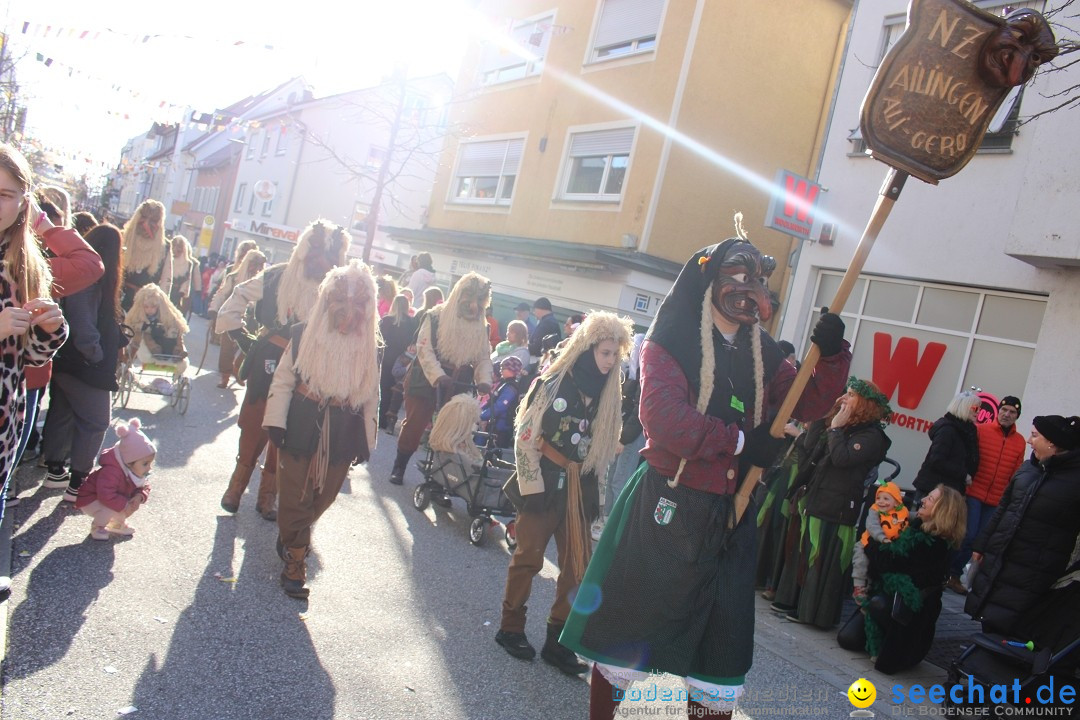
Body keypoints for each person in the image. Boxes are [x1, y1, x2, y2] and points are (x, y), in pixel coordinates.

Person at [559, 238, 851, 720]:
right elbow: (663, 417)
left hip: (734, 515)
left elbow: (809, 401)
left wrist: (832, 352)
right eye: (738, 274)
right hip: (669, 507)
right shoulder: (669, 341)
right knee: (625, 640)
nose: (750, 287)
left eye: (757, 276)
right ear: (708, 279)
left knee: (721, 655)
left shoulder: (765, 351)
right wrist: (741, 442)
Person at [496, 311, 632, 675]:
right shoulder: (552, 382)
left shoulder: (609, 396)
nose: (609, 362)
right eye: (605, 353)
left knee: (577, 569)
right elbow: (525, 436)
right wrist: (532, 487)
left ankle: (557, 642)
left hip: (580, 486)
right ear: (588, 349)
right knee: (528, 558)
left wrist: (598, 503)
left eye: (614, 355)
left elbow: (601, 454)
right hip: (543, 479)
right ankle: (510, 628)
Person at [216, 220, 350, 520]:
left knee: (286, 429)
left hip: (307, 365)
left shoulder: (336, 292)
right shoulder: (277, 275)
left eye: (328, 257)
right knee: (254, 423)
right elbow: (236, 299)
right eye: (316, 254)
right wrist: (242, 337)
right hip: (271, 359)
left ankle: (267, 496)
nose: (321, 262)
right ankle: (236, 488)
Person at [264, 261, 380, 598]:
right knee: (295, 492)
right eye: (342, 300)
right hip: (302, 418)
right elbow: (284, 379)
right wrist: (276, 421)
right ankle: (295, 561)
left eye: (358, 303)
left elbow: (371, 394)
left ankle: (291, 532)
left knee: (326, 494)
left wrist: (367, 440)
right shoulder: (302, 334)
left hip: (343, 426)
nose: (349, 310)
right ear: (328, 299)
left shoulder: (373, 347)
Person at [0, 144, 70, 600]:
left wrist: (51, 328)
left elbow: (32, 357)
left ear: (24, 201)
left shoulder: (24, 261)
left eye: (6, 194)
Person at [774, 378, 893, 628]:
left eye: (850, 395)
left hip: (838, 506)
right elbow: (811, 446)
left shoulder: (871, 436)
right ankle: (795, 601)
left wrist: (836, 429)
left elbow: (842, 458)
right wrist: (827, 415)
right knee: (806, 553)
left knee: (821, 559)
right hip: (819, 496)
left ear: (863, 403)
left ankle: (814, 613)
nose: (844, 398)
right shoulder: (844, 425)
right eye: (846, 393)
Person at [10, 185, 103, 505]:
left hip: (16, 393)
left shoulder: (28, 270)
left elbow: (89, 266)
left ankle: (7, 484)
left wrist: (52, 330)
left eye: (8, 195)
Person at [965, 415, 1080, 636]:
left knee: (1011, 625)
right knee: (987, 616)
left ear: (1052, 443)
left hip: (1032, 572)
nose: (1028, 440)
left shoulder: (1075, 482)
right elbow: (1002, 510)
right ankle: (980, 661)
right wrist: (981, 546)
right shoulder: (1028, 469)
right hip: (999, 561)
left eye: (1035, 435)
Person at [838, 485, 966, 675]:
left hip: (908, 615)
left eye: (930, 499)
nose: (922, 500)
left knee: (878, 604)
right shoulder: (913, 526)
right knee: (847, 639)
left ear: (942, 509)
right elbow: (884, 563)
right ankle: (877, 634)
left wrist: (871, 541)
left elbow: (887, 563)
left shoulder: (937, 544)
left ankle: (890, 645)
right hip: (889, 593)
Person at [40, 224, 125, 503]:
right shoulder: (90, 280)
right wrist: (97, 356)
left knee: (63, 411)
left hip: (64, 359)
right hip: (84, 363)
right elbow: (83, 325)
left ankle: (55, 470)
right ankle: (77, 482)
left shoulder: (75, 273)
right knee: (97, 421)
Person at [390, 272, 493, 485]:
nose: (474, 305)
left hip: (458, 381)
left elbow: (483, 356)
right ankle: (399, 467)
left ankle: (440, 479)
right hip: (427, 378)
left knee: (452, 431)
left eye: (479, 300)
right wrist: (438, 376)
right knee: (415, 425)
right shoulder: (435, 316)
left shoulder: (482, 326)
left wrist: (484, 380)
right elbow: (424, 348)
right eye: (470, 298)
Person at [949, 395, 1025, 595]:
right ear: (998, 411)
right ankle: (949, 572)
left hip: (996, 498)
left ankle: (953, 575)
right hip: (975, 491)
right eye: (1004, 410)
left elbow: (1016, 473)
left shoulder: (1019, 442)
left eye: (1012, 412)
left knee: (978, 541)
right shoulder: (981, 431)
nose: (1007, 415)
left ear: (1017, 416)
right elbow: (970, 457)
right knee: (968, 535)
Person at [593, 331, 646, 540]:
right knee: (609, 477)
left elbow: (640, 412)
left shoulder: (645, 374)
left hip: (632, 436)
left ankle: (613, 528)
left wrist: (623, 439)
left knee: (619, 480)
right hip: (623, 433)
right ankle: (604, 519)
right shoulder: (634, 372)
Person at [74, 418, 155, 541]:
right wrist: (124, 504)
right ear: (129, 462)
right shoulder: (112, 472)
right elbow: (106, 494)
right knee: (112, 507)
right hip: (91, 498)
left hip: (111, 497)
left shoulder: (134, 471)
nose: (149, 467)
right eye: (145, 463)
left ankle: (116, 525)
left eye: (150, 463)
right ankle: (98, 526)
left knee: (122, 506)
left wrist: (139, 496)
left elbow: (144, 486)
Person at [209, 247, 267, 388]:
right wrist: (213, 309)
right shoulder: (233, 277)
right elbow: (221, 294)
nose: (256, 268)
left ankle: (238, 367)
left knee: (249, 347)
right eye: (254, 264)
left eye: (260, 265)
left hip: (252, 320)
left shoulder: (264, 282)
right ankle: (225, 376)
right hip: (232, 315)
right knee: (227, 348)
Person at [911, 390, 980, 501]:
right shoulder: (947, 430)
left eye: (979, 409)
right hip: (932, 491)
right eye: (976, 408)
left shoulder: (968, 431)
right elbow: (937, 460)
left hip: (949, 491)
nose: (978, 412)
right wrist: (963, 475)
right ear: (964, 407)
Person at [850, 481, 910, 597]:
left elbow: (912, 517)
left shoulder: (902, 512)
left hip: (886, 547)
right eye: (878, 498)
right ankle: (859, 586)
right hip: (866, 543)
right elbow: (872, 526)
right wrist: (882, 538)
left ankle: (871, 589)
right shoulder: (874, 511)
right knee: (860, 562)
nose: (881, 502)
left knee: (876, 569)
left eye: (886, 499)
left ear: (896, 501)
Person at [120, 200, 173, 311]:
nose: (146, 224)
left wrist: (160, 307)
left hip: (145, 305)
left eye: (153, 220)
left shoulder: (164, 247)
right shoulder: (123, 238)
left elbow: (166, 280)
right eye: (144, 217)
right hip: (119, 297)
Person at [124, 283, 189, 370]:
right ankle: (156, 350)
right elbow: (135, 331)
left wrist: (170, 330)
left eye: (153, 307)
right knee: (146, 335)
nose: (149, 310)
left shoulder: (166, 315)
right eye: (146, 307)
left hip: (164, 340)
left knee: (175, 334)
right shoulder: (139, 317)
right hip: (148, 342)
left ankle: (179, 351)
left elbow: (176, 326)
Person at [378, 294, 418, 429]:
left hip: (386, 358)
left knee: (384, 389)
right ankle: (391, 419)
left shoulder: (386, 320)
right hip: (403, 360)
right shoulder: (412, 323)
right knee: (398, 391)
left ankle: (381, 418)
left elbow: (378, 340)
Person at [480, 355, 524, 449]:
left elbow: (500, 407)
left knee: (490, 453)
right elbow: (491, 401)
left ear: (511, 370)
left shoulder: (511, 387)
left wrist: (481, 415)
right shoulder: (504, 384)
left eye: (503, 368)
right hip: (494, 424)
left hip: (501, 428)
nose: (500, 370)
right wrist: (479, 410)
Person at [168, 236, 197, 316]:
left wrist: (181, 293)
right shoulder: (167, 259)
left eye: (179, 247)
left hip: (177, 294)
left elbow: (187, 280)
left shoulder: (188, 263)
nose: (176, 249)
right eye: (174, 246)